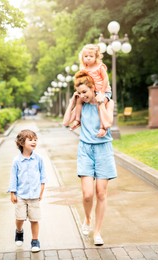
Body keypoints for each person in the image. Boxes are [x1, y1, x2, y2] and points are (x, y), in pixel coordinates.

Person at [63, 70, 117, 246]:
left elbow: (108, 123)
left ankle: (97, 232)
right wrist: (72, 101)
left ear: (93, 88)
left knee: (101, 193)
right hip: (85, 150)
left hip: (103, 150)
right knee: (87, 194)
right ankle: (87, 219)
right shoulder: (81, 105)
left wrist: (100, 103)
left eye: (85, 92)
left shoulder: (108, 102)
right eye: (80, 93)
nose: (83, 96)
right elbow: (65, 123)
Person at [8, 129, 46, 253]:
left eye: (35, 139)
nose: (34, 142)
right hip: (21, 195)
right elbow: (13, 177)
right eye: (30, 140)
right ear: (21, 142)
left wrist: (41, 190)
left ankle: (35, 240)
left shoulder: (38, 159)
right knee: (20, 218)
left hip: (34, 195)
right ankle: (19, 231)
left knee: (34, 219)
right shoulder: (17, 161)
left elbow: (42, 176)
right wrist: (12, 193)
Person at [70, 44, 112, 136]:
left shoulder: (100, 66)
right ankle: (77, 120)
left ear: (96, 57)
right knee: (79, 100)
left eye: (91, 56)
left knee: (100, 105)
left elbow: (105, 79)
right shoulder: (84, 69)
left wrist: (102, 92)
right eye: (86, 56)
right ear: (82, 57)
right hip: (92, 92)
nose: (88, 58)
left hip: (103, 91)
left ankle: (102, 127)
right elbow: (81, 80)